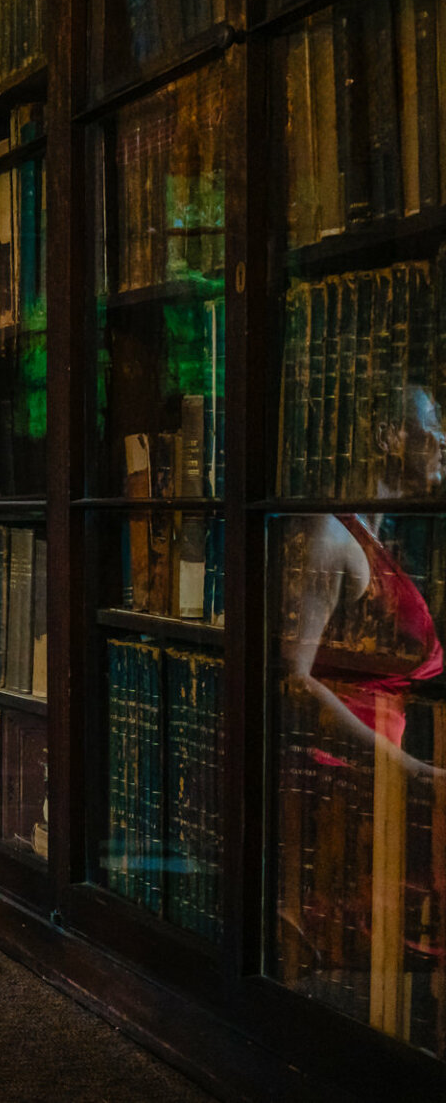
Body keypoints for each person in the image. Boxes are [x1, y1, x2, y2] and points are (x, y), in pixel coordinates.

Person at [276, 383, 446, 980]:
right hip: (349, 793)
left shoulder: (375, 536)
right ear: (385, 437)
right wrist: (414, 776)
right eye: (432, 429)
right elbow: (295, 684)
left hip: (385, 783)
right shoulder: (328, 537)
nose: (445, 442)